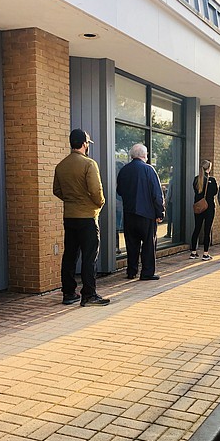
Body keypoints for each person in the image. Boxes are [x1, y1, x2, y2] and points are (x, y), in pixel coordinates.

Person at [53, 129, 109, 307]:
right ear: (85, 144)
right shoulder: (89, 164)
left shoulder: (61, 165)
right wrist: (99, 203)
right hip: (87, 217)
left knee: (69, 255)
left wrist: (71, 200)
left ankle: (69, 293)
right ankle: (89, 294)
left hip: (69, 216)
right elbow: (95, 190)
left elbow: (57, 190)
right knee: (89, 257)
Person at [117, 143, 165, 280]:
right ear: (144, 155)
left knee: (131, 244)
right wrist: (160, 212)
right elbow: (157, 194)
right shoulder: (149, 170)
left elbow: (119, 191)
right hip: (146, 214)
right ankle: (147, 272)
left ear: (132, 155)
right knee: (149, 244)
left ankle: (131, 271)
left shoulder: (124, 170)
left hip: (129, 213)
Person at [190, 160, 218, 261]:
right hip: (209, 207)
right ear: (208, 168)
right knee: (207, 230)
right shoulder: (212, 180)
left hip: (198, 207)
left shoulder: (196, 179)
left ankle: (193, 252)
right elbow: (215, 192)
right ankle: (205, 254)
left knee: (196, 228)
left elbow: (195, 191)